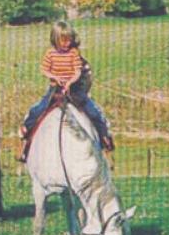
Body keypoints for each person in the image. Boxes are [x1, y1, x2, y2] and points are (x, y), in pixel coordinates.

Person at [18, 21, 114, 160]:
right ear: (55, 39)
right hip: (55, 88)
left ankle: (104, 137)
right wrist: (54, 77)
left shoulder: (74, 53)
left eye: (69, 39)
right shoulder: (50, 54)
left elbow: (77, 71)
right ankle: (27, 135)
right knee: (39, 108)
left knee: (93, 111)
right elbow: (44, 69)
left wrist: (69, 82)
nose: (67, 43)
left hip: (73, 89)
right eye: (63, 40)